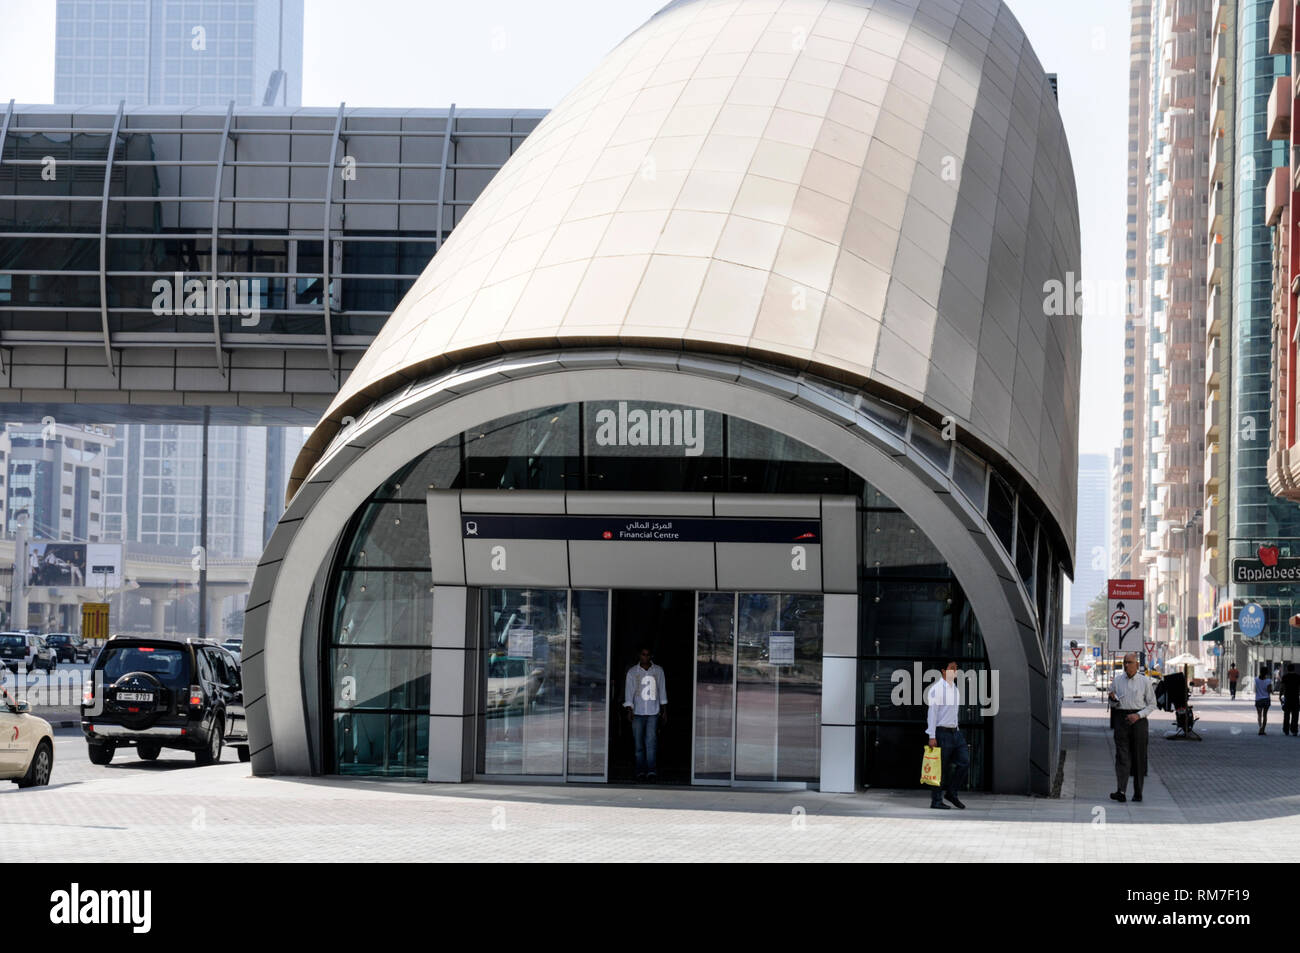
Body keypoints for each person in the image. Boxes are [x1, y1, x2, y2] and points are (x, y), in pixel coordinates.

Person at [1108, 652, 1158, 803]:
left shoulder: (1144, 682)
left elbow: (1152, 704)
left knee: (1138, 757)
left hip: (1139, 721)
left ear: (1136, 664)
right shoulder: (1117, 681)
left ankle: (1138, 793)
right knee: (1122, 756)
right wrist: (1113, 700)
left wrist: (1139, 715)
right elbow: (1112, 703)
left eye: (1129, 662)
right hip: (1121, 719)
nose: (1126, 665)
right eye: (1124, 662)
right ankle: (1121, 791)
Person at [925, 661, 969, 810]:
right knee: (940, 769)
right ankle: (936, 801)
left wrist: (957, 728)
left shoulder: (955, 688)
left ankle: (951, 792)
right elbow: (932, 713)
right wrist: (931, 735)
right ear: (943, 671)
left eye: (956, 668)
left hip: (955, 733)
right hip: (941, 733)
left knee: (964, 762)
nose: (955, 671)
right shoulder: (937, 689)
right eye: (952, 668)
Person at [624, 646, 667, 782]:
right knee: (638, 743)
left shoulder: (658, 671)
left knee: (651, 742)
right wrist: (629, 710)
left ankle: (651, 770)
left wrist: (664, 710)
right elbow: (629, 691)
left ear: (651, 656)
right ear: (639, 655)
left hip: (653, 712)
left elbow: (662, 690)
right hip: (638, 712)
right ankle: (640, 771)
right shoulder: (632, 672)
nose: (645, 657)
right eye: (643, 654)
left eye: (648, 655)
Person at [1281, 663, 1300, 737]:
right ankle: (1294, 730)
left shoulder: (1285, 677)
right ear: (1294, 669)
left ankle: (1286, 730)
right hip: (1295, 698)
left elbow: (1282, 687)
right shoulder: (1298, 677)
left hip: (1287, 697)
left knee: (1286, 714)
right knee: (1295, 715)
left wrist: (1280, 696)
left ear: (1287, 669)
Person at [1254, 666, 1273, 736]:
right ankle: (1262, 729)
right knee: (1265, 715)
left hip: (1258, 699)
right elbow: (1269, 691)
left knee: (1259, 715)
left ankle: (1260, 727)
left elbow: (1255, 688)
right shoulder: (1268, 681)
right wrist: (1271, 690)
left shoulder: (1256, 679)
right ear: (1266, 673)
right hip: (1266, 699)